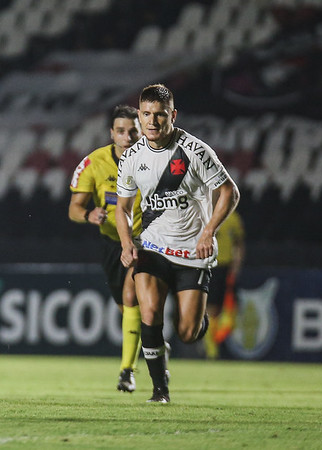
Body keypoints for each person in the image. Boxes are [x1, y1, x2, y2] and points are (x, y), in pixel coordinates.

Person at [115, 84, 240, 403]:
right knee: (150, 311)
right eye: (146, 115)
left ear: (172, 115)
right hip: (153, 248)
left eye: (159, 115)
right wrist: (127, 242)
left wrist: (209, 231)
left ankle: (196, 322)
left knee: (187, 332)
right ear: (139, 116)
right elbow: (123, 209)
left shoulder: (195, 151)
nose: (152, 122)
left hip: (191, 254)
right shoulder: (131, 157)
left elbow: (229, 192)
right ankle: (160, 389)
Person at [69, 105, 144, 393]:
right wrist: (88, 214)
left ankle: (127, 371)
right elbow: (74, 208)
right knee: (126, 308)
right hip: (111, 242)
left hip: (144, 240)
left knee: (130, 296)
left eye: (132, 131)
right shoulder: (94, 163)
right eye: (121, 131)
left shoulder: (153, 160)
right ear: (112, 133)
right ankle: (151, 343)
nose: (127, 137)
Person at [204, 210, 245, 358]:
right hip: (210, 266)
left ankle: (215, 340)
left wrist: (236, 267)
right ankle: (212, 350)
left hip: (226, 269)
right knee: (212, 309)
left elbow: (239, 245)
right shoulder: (204, 214)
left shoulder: (233, 218)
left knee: (231, 311)